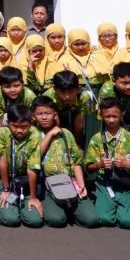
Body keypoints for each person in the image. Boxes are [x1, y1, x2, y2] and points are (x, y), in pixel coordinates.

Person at [28, 96, 98, 227]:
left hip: (68, 182)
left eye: (48, 113)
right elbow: (34, 157)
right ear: (33, 116)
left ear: (55, 115)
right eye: (40, 114)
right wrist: (49, 135)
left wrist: (81, 185)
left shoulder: (66, 133)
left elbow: (76, 161)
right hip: (46, 184)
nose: (44, 117)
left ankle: (72, 209)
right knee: (57, 220)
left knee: (91, 220)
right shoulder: (32, 133)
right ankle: (59, 209)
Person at [85, 98, 130, 230]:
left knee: (128, 222)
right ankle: (110, 204)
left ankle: (125, 206)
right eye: (107, 116)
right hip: (105, 183)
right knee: (105, 219)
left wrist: (128, 165)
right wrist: (99, 165)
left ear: (122, 114)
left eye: (115, 116)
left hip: (127, 184)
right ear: (101, 115)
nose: (111, 120)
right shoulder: (96, 139)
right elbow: (88, 167)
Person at [0, 103, 43, 228]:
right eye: (14, 126)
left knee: (34, 221)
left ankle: (25, 201)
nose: (19, 130)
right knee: (10, 220)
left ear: (31, 123)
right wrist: (5, 189)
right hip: (7, 180)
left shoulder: (35, 134)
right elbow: (2, 163)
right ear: (8, 122)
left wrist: (32, 197)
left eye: (24, 127)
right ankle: (9, 203)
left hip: (25, 180)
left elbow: (32, 168)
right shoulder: (2, 133)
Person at [0, 66, 36, 131]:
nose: (12, 90)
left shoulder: (29, 96)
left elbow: (33, 119)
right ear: (1, 86)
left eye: (16, 86)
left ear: (22, 84)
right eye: (7, 87)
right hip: (4, 122)